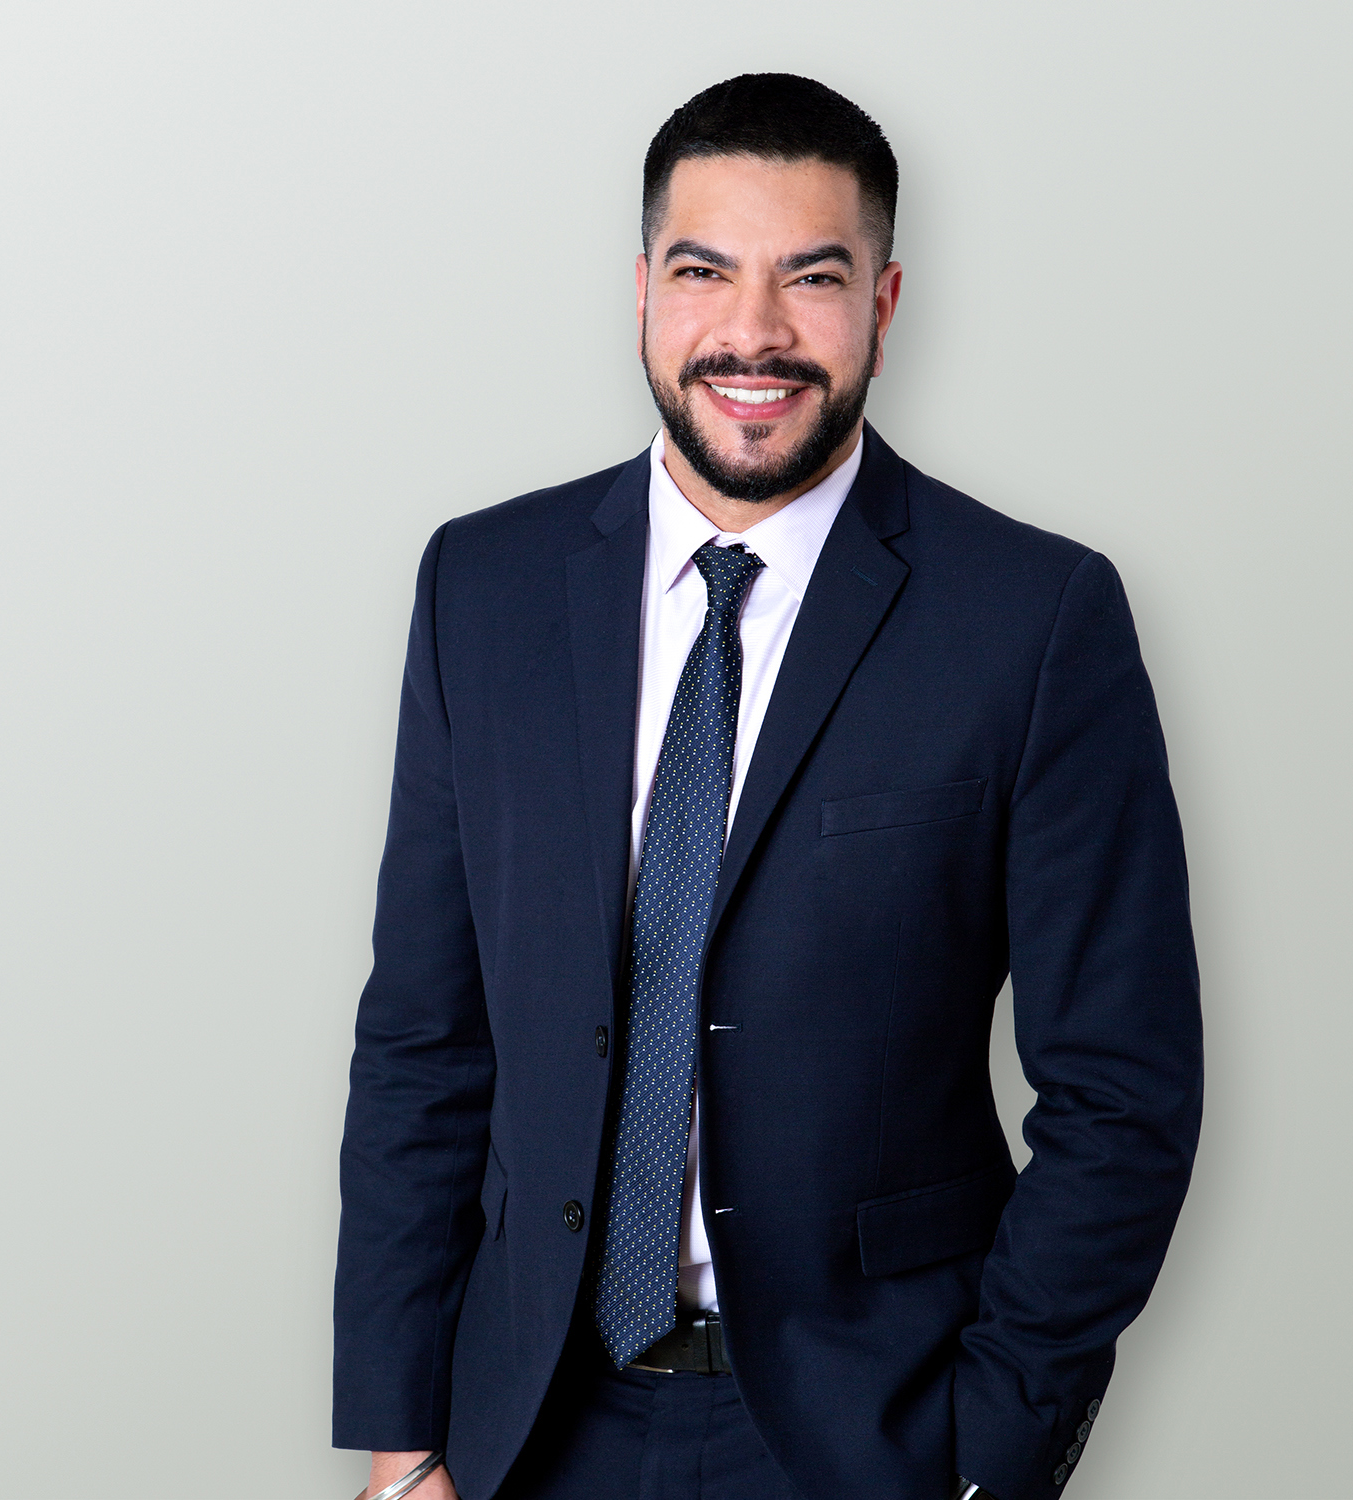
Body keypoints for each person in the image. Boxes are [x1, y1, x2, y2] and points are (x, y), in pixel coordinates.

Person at [333, 73, 1202, 1500]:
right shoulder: (482, 590)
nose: (754, 332)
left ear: (885, 302)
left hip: (871, 1437)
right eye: (703, 272)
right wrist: (402, 1440)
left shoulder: (1032, 619)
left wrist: (988, 1454)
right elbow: (424, 1044)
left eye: (813, 277)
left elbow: (1124, 1088)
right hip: (524, 1427)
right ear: (640, 294)